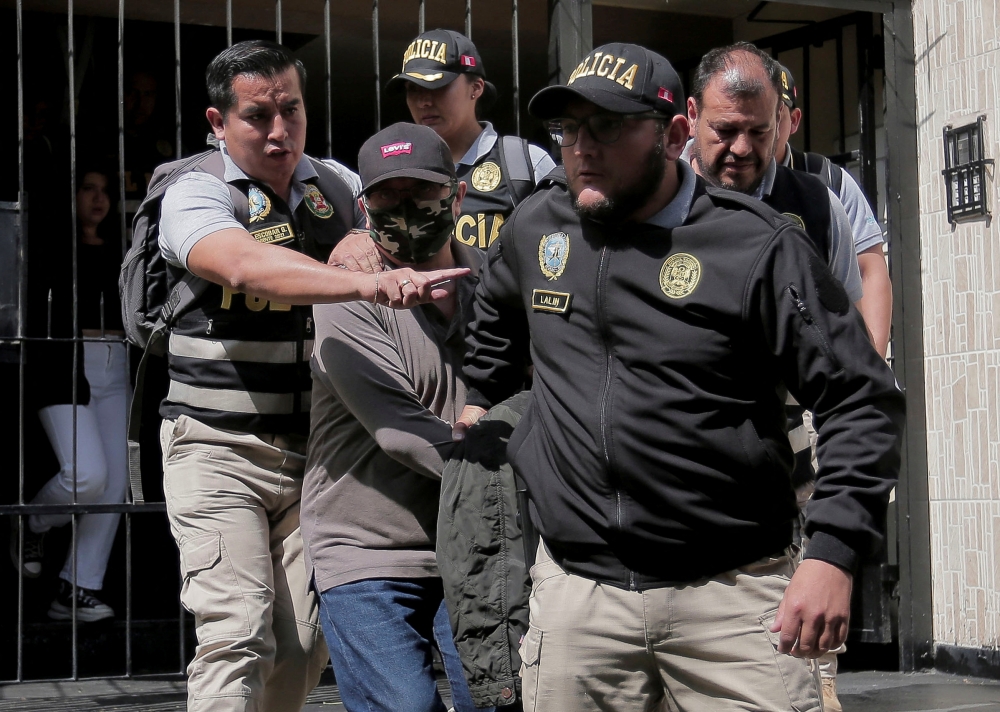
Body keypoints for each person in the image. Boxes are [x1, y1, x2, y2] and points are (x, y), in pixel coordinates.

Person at [453, 42, 905, 711]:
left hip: (733, 598)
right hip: (581, 599)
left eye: (606, 127)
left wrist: (834, 553)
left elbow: (859, 398)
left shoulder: (756, 244)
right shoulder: (539, 226)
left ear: (671, 133)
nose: (581, 148)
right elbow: (492, 309)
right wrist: (480, 399)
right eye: (568, 129)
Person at [155, 41, 469, 712]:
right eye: (257, 116)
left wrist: (360, 242)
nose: (278, 133)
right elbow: (239, 264)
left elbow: (380, 220)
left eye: (291, 111)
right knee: (235, 632)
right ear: (218, 122)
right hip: (218, 448)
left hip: (309, 459)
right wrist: (367, 283)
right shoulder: (195, 192)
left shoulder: (333, 185)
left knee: (301, 645)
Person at [302, 122, 488, 712]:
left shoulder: (495, 283)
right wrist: (524, 470)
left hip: (476, 542)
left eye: (422, 192)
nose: (405, 208)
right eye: (387, 194)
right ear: (364, 206)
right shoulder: (345, 291)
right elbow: (400, 431)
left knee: (496, 699)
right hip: (368, 546)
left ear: (457, 197)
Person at [10, 165, 130, 623]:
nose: (98, 199)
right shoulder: (49, 248)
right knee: (86, 475)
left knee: (115, 486)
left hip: (114, 361)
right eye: (88, 189)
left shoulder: (122, 250)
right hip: (64, 361)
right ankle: (33, 522)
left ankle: (77, 585)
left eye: (106, 191)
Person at [685, 43, 863, 310]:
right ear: (692, 116)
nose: (742, 148)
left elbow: (849, 334)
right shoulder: (651, 201)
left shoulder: (819, 205)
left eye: (759, 132)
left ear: (780, 120)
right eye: (725, 129)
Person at [386, 29, 555, 252]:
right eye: (412, 89)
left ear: (475, 88)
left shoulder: (524, 164)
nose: (423, 101)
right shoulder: (397, 170)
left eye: (436, 86)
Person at [775, 62, 892, 360]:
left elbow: (870, 269)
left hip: (816, 372)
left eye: (776, 114)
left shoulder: (829, 181)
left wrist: (872, 369)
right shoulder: (705, 175)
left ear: (794, 120)